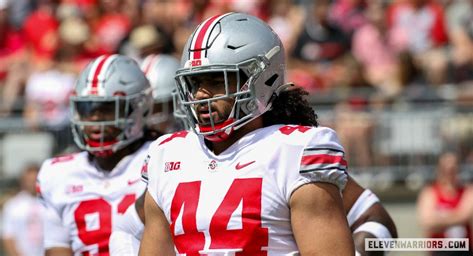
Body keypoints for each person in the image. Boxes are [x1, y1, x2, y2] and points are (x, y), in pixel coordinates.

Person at [139, 12, 354, 255]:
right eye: (196, 83)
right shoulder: (167, 154)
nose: (200, 95)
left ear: (262, 80)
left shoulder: (296, 151)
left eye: (216, 81)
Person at [36, 54, 153, 255]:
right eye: (87, 109)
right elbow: (57, 248)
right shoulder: (57, 174)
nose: (95, 119)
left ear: (137, 108)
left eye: (107, 109)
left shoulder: (161, 158)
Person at [108, 53, 182, 255]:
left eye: (156, 107)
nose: (148, 117)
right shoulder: (153, 153)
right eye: (143, 108)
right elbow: (125, 230)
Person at [417, 152, 473, 255]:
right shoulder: (430, 192)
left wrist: (440, 218)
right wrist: (457, 215)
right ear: (440, 169)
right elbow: (427, 222)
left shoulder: (468, 191)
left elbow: (465, 215)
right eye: (446, 168)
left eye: (453, 168)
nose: (449, 172)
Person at [2, 164, 44, 256]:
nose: (32, 184)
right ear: (23, 181)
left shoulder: (50, 203)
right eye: (29, 180)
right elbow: (7, 236)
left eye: (35, 180)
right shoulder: (13, 205)